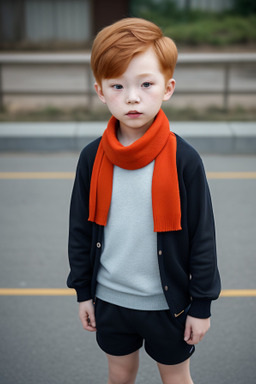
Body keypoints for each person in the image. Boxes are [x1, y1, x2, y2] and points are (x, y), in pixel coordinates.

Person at [67, 17, 221, 384]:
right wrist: (83, 293)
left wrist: (201, 306)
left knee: (176, 378)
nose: (132, 97)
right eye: (117, 86)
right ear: (100, 91)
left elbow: (202, 237)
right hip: (110, 300)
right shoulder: (93, 157)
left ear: (167, 88)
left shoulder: (184, 159)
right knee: (119, 375)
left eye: (146, 84)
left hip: (167, 305)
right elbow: (80, 230)